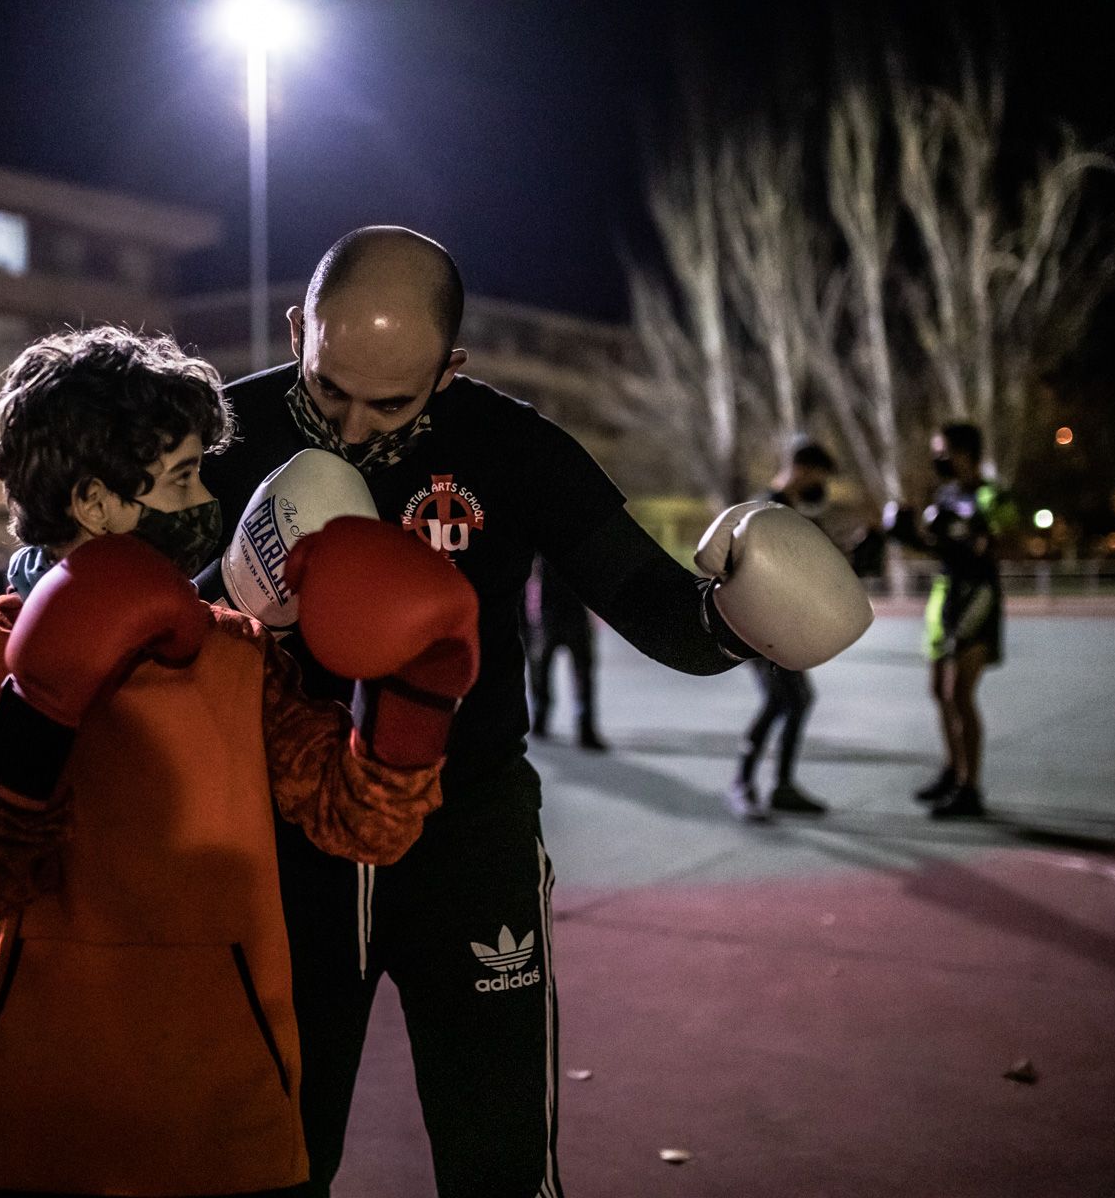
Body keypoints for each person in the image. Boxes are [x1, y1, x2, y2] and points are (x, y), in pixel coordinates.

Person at [199, 226, 870, 1197]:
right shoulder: (224, 432)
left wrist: (734, 615)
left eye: (389, 401)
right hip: (282, 842)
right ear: (299, 326)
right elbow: (104, 597)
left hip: (466, 834)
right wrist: (226, 583)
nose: (349, 427)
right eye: (329, 387)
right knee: (274, 1165)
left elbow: (659, 612)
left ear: (451, 367)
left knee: (500, 1166)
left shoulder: (512, 447)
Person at [0, 326, 480, 1197]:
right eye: (182, 478)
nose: (208, 497)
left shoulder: (240, 657)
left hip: (228, 1122)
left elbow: (365, 822)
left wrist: (419, 693)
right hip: (38, 1119)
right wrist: (41, 707)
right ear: (96, 502)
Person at [885, 423, 1012, 820]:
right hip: (946, 594)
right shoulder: (945, 494)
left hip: (977, 593)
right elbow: (941, 546)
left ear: (965, 453)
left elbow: (1003, 542)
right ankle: (953, 770)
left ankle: (970, 787)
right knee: (938, 689)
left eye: (942, 451)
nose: (937, 459)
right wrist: (908, 537)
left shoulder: (991, 495)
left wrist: (972, 533)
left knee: (960, 693)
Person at [724, 439, 840, 821]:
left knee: (796, 699)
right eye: (818, 477)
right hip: (758, 626)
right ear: (802, 470)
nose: (819, 486)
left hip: (781, 625)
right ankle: (744, 784)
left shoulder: (789, 510)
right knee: (782, 699)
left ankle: (781, 786)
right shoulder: (765, 509)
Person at [525, 555, 607, 751]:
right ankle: (582, 723)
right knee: (580, 672)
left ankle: (542, 718)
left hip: (550, 615)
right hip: (566, 614)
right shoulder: (578, 544)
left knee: (541, 669)